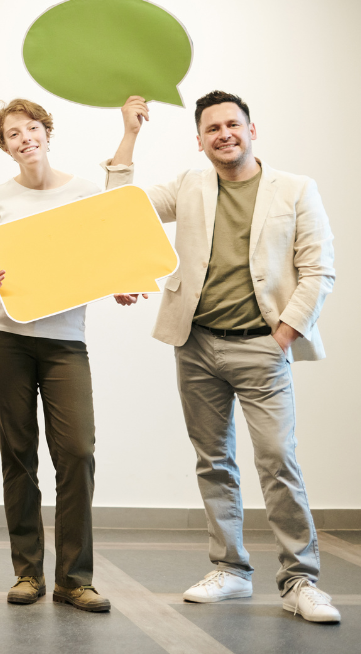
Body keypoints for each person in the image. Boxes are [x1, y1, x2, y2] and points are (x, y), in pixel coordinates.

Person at [113, 90, 339, 623]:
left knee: (277, 461)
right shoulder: (191, 186)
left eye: (232, 125)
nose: (224, 135)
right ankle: (231, 570)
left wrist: (282, 334)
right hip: (196, 346)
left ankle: (301, 580)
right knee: (213, 462)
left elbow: (318, 270)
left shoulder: (296, 189)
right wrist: (130, 134)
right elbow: (120, 212)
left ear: (252, 129)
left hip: (262, 344)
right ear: (199, 140)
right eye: (212, 129)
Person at [0, 97, 144, 613]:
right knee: (18, 456)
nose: (25, 137)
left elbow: (108, 246)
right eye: (12, 133)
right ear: (4, 146)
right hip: (6, 338)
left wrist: (119, 281)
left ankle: (74, 578)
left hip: (65, 341)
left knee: (77, 453)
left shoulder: (83, 193)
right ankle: (28, 572)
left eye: (32, 128)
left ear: (47, 132)